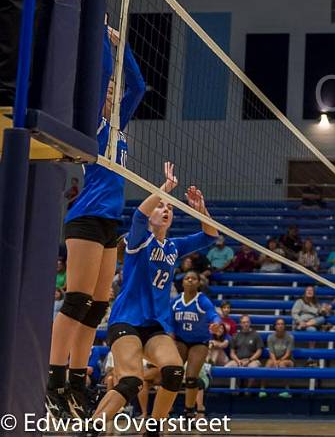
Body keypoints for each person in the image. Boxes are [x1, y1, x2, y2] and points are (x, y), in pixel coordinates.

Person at [47, 30, 144, 418]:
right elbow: (103, 73)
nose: (110, 96)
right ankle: (54, 379)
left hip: (109, 223)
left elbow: (137, 85)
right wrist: (103, 40)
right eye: (105, 93)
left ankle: (75, 379)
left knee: (98, 304)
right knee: (77, 299)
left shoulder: (119, 128)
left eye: (111, 94)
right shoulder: (93, 126)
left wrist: (124, 46)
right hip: (86, 217)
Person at [90, 167, 218, 433]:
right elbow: (138, 216)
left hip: (154, 326)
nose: (166, 209)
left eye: (170, 208)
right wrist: (165, 188)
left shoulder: (173, 247)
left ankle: (153, 427)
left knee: (173, 372)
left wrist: (200, 210)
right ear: (152, 216)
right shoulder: (140, 240)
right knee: (131, 382)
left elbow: (210, 235)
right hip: (126, 320)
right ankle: (93, 427)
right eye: (160, 207)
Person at [172, 265, 220, 419]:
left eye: (193, 278)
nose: (190, 280)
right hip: (180, 340)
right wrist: (169, 332)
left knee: (192, 377)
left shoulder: (202, 300)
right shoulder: (176, 301)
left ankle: (189, 411)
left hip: (199, 342)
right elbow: (168, 319)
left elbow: (214, 315)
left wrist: (216, 324)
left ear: (199, 283)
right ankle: (166, 410)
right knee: (172, 374)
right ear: (183, 282)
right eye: (187, 278)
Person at [225, 314, 263, 390]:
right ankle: (235, 389)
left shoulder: (256, 335)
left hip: (252, 360)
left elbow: (259, 351)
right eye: (243, 322)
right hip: (238, 360)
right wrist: (238, 361)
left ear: (250, 323)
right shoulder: (235, 336)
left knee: (253, 367)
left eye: (247, 322)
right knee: (226, 368)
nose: (245, 324)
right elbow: (232, 352)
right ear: (240, 324)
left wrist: (249, 360)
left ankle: (247, 389)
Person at [261, 318, 295, 398]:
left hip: (288, 359)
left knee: (282, 364)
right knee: (268, 363)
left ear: (284, 326)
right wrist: (275, 361)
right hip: (275, 358)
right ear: (275, 326)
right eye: (278, 324)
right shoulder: (270, 337)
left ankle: (287, 390)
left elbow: (288, 353)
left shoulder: (290, 337)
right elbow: (271, 352)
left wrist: (280, 361)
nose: (280, 326)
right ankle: (262, 389)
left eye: (282, 324)